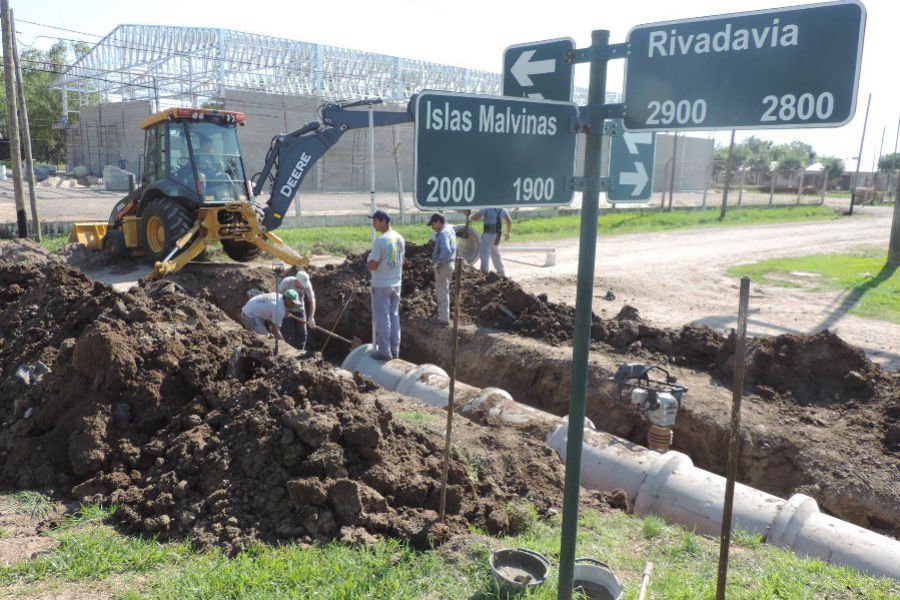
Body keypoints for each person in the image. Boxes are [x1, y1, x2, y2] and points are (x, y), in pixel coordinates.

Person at [367, 210, 405, 360]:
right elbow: (403, 261)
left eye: (375, 221)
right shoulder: (399, 238)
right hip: (396, 283)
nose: (373, 224)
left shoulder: (380, 241)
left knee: (382, 319)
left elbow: (372, 265)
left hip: (381, 284)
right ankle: (395, 350)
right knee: (394, 317)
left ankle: (384, 352)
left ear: (383, 221)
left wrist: (368, 262)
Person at [428, 212, 456, 325]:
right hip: (450, 263)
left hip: (444, 265)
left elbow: (446, 249)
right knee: (444, 290)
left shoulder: (443, 233)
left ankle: (443, 319)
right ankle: (443, 315)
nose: (432, 227)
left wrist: (438, 262)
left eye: (433, 224)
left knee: (442, 291)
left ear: (438, 222)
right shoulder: (450, 229)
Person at [276, 271, 316, 350]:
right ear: (297, 280)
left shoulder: (307, 285)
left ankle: (300, 351)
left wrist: (311, 317)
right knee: (286, 332)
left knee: (302, 333)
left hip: (299, 309)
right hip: (286, 308)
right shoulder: (286, 282)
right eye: (301, 284)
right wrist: (283, 310)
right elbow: (278, 296)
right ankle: (284, 351)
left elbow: (312, 301)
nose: (303, 286)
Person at [471, 207, 512, 277]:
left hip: (487, 234)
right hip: (497, 235)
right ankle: (501, 272)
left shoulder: (486, 208)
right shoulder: (502, 209)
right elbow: (509, 221)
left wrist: (470, 216)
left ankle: (484, 272)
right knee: (496, 254)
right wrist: (508, 233)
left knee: (484, 255)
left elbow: (476, 218)